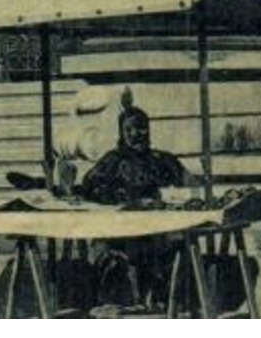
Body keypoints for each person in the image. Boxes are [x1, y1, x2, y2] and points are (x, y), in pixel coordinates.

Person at [78, 103, 191, 313]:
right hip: (121, 233)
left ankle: (160, 300)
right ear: (121, 133)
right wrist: (123, 200)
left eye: (141, 128)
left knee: (172, 244)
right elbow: (88, 189)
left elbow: (188, 186)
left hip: (159, 232)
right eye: (129, 130)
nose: (136, 134)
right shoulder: (112, 161)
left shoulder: (163, 160)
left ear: (149, 130)